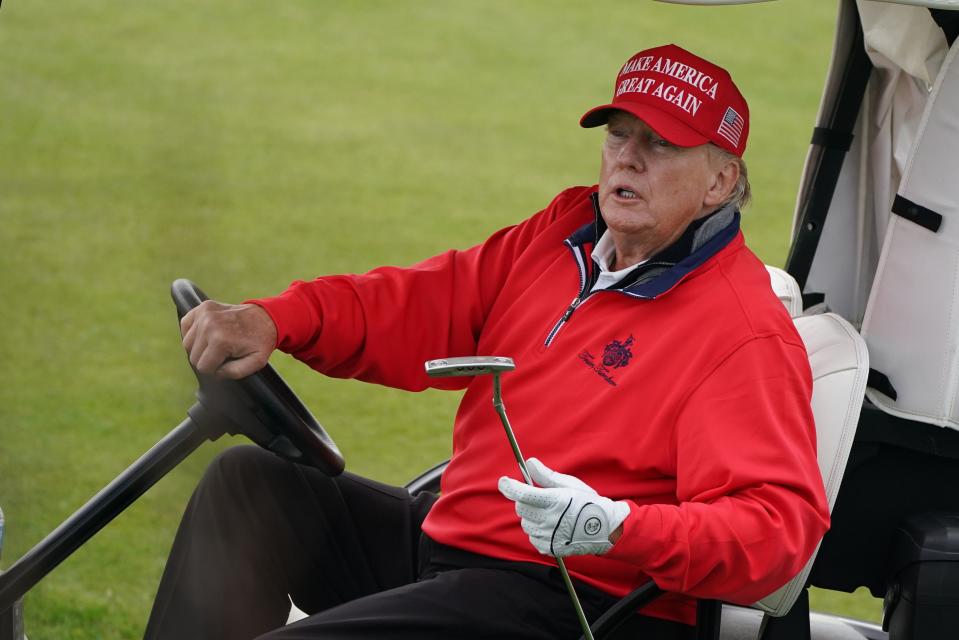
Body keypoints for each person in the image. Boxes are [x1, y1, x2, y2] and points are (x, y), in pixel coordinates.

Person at [145, 44, 829, 640]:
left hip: (577, 601)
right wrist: (276, 319)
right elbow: (420, 306)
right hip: (461, 550)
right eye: (619, 134)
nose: (628, 158)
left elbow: (774, 529)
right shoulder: (565, 234)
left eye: (661, 144)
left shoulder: (740, 329)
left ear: (720, 181)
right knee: (249, 487)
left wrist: (618, 525)